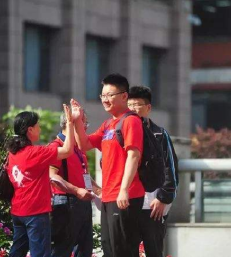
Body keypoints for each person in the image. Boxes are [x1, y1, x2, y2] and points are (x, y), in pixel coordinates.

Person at [70, 73, 145, 257]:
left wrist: (124, 189)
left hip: (125, 195)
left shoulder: (131, 121)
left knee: (123, 249)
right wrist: (78, 120)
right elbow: (84, 144)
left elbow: (133, 156)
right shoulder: (108, 125)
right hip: (109, 196)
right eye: (102, 96)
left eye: (110, 95)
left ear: (124, 96)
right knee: (109, 248)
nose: (105, 100)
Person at [6, 105, 74, 257]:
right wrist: (70, 124)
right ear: (30, 130)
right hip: (35, 212)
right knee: (41, 254)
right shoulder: (36, 152)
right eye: (38, 126)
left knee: (17, 252)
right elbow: (68, 150)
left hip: (18, 210)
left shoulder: (13, 153)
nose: (40, 129)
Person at [127, 86, 178, 257]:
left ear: (148, 108)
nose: (132, 109)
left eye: (137, 105)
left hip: (153, 203)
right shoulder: (120, 132)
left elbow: (170, 167)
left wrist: (163, 197)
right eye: (129, 105)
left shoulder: (160, 134)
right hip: (127, 203)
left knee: (154, 249)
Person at [49, 112, 101, 257]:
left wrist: (98, 190)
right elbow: (52, 175)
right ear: (70, 122)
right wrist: (76, 190)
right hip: (66, 202)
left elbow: (84, 176)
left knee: (85, 248)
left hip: (83, 202)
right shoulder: (57, 146)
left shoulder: (78, 147)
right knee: (63, 248)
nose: (85, 126)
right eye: (83, 122)